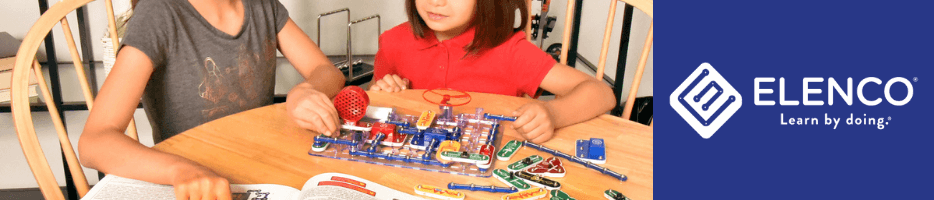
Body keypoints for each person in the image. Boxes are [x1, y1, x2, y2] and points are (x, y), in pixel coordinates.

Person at [77, 0, 344, 199]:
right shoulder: (159, 13)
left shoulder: (263, 5)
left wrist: (306, 90)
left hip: (262, 172)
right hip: (195, 184)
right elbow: (94, 142)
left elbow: (327, 73)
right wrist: (181, 170)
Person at [370, 0, 616, 143]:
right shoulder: (393, 42)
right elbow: (373, 101)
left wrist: (553, 113)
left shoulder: (510, 52)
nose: (437, 1)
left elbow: (601, 93)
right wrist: (385, 91)